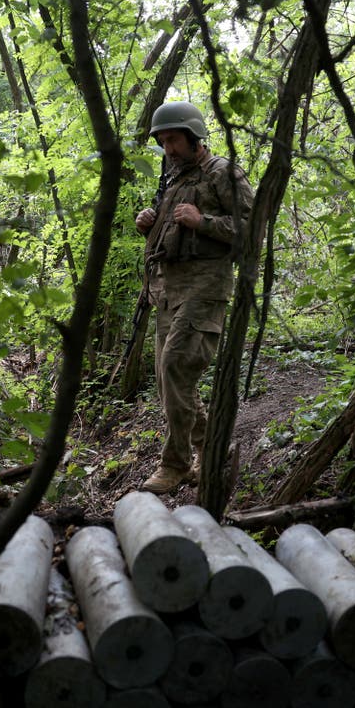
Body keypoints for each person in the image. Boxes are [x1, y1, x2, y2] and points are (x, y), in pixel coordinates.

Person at [134, 101, 254, 494]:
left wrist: (203, 222)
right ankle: (208, 449)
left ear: (193, 135)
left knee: (175, 367)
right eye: (163, 141)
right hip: (167, 291)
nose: (168, 149)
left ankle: (175, 464)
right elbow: (172, 233)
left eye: (174, 140)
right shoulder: (172, 179)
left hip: (205, 288)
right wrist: (149, 223)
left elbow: (251, 227)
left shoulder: (222, 172)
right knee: (171, 381)